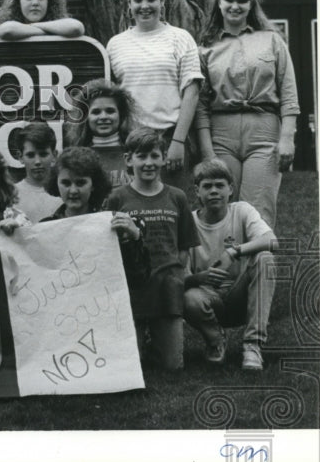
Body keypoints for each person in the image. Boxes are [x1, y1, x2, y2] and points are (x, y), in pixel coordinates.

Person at [198, 0, 299, 229]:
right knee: (222, 210)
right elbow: (201, 105)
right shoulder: (205, 47)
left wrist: (287, 138)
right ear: (219, 3)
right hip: (222, 134)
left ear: (251, 4)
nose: (235, 6)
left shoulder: (272, 40)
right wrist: (208, 152)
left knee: (258, 212)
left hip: (264, 131)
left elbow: (288, 93)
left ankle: (259, 256)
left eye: (242, 0)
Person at [106, 0, 211, 191]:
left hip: (170, 137)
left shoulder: (180, 38)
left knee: (173, 203)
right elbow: (112, 97)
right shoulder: (115, 45)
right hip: (131, 140)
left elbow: (192, 92)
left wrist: (178, 142)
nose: (145, 6)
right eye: (138, 0)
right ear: (129, 4)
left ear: (162, 2)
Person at [105, 128, 200, 370]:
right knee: (131, 365)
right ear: (128, 160)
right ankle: (142, 338)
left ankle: (158, 336)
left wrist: (176, 276)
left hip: (167, 287)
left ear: (164, 158)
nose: (149, 163)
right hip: (133, 288)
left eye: (155, 156)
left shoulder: (177, 197)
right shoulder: (117, 198)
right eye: (142, 156)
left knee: (172, 365)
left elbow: (184, 246)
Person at [184, 159, 278, 371]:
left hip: (241, 295)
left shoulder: (242, 210)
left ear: (231, 189)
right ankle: (215, 340)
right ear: (197, 191)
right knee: (188, 298)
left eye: (220, 185)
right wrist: (201, 278)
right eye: (207, 186)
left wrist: (234, 251)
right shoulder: (188, 222)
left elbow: (272, 241)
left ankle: (253, 345)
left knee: (265, 258)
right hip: (207, 299)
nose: (214, 191)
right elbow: (181, 280)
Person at [41, 146, 151, 313]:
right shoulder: (45, 227)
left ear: (93, 184)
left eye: (81, 182)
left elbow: (139, 279)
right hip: (63, 316)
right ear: (56, 183)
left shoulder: (113, 225)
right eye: (66, 183)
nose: (73, 190)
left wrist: (134, 237)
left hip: (105, 315)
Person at [65, 78, 138, 189]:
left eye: (110, 111)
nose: (103, 117)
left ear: (121, 115)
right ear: (85, 118)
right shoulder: (75, 159)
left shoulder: (136, 154)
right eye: (96, 112)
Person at [12, 121, 61, 223]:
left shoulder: (65, 191)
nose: (37, 161)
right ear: (20, 157)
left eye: (43, 154)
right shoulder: (11, 194)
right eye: (30, 155)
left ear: (54, 155)